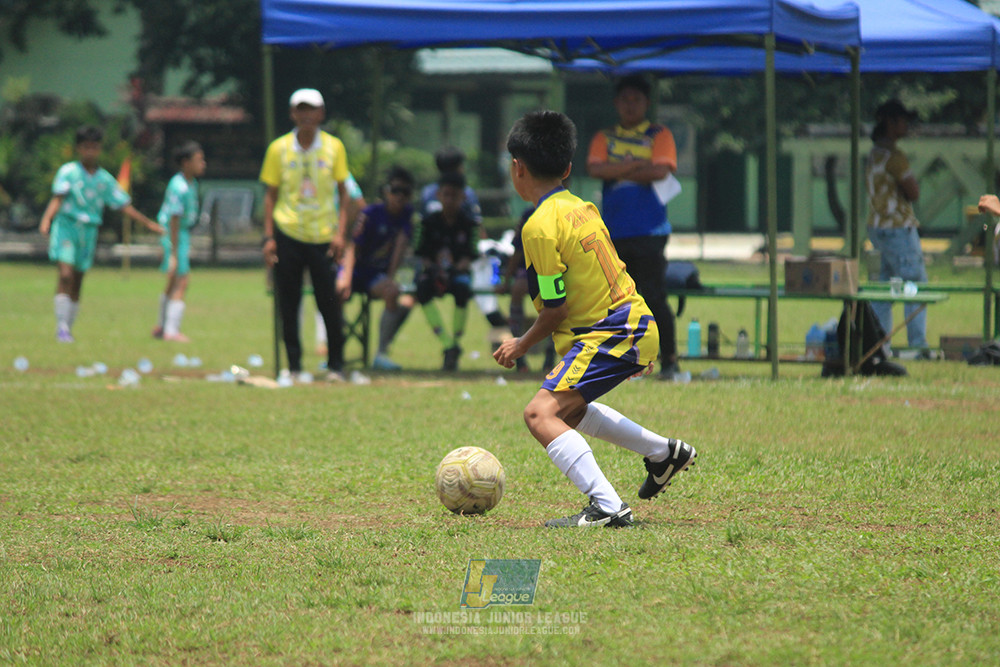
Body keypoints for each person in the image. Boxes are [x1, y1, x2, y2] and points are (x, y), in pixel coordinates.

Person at [494, 110, 696, 529]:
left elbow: (555, 310)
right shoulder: (581, 206)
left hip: (616, 331)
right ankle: (664, 453)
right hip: (632, 324)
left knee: (538, 414)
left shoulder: (538, 228)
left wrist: (520, 344)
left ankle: (607, 506)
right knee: (567, 410)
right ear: (568, 169)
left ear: (518, 168)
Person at [587, 74, 680, 380]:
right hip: (614, 232)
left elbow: (662, 169)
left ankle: (670, 360)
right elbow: (595, 168)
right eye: (624, 100)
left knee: (653, 296)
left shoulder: (659, 134)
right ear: (616, 103)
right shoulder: (605, 136)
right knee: (616, 301)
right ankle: (621, 363)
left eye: (636, 100)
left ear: (646, 104)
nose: (630, 106)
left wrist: (619, 169)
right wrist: (638, 165)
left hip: (651, 231)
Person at [260, 88, 352, 382]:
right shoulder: (279, 149)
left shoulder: (334, 147)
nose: (306, 115)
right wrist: (268, 237)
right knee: (289, 302)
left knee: (329, 301)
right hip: (288, 231)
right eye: (301, 109)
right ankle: (295, 366)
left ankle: (336, 365)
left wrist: (340, 234)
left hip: (323, 234)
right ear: (292, 113)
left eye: (311, 109)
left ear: (321, 114)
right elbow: (270, 195)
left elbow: (343, 193)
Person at [39, 125, 163, 343]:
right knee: (65, 275)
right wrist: (47, 219)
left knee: (77, 279)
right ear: (79, 149)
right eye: (86, 147)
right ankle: (61, 328)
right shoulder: (68, 172)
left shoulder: (104, 179)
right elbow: (57, 198)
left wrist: (147, 223)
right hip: (68, 227)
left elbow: (122, 205)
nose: (90, 152)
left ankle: (68, 326)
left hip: (89, 232)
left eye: (95, 148)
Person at [337, 166, 417, 371]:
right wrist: (345, 278)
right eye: (395, 190)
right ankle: (335, 351)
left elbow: (400, 247)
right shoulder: (370, 213)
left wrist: (390, 277)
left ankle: (381, 353)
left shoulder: (407, 215)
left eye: (405, 193)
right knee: (334, 294)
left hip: (376, 275)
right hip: (356, 270)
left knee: (394, 292)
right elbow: (353, 247)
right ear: (386, 191)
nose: (399, 197)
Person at [421, 146, 508, 330]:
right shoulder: (465, 193)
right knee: (477, 280)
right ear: (456, 167)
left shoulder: (427, 193)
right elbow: (477, 229)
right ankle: (496, 320)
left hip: (436, 260)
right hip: (460, 261)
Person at [866, 98, 928, 354]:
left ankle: (881, 345)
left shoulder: (874, 153)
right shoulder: (894, 156)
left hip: (877, 227)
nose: (906, 125)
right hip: (899, 227)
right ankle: (917, 345)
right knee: (915, 284)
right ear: (891, 123)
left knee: (883, 287)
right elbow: (913, 191)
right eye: (902, 120)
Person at [414, 171, 479, 371]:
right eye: (446, 194)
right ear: (439, 196)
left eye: (454, 195)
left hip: (458, 274)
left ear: (462, 197)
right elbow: (421, 252)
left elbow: (471, 254)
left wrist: (456, 268)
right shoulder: (428, 222)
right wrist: (435, 269)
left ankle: (456, 341)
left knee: (462, 289)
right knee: (422, 289)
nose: (449, 200)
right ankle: (448, 344)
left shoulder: (469, 223)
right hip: (434, 273)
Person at [152, 141, 207, 342]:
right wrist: (174, 253)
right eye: (199, 160)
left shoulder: (190, 183)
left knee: (173, 282)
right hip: (174, 235)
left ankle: (161, 326)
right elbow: (174, 219)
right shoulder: (179, 186)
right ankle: (172, 331)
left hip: (180, 234)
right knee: (182, 281)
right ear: (186, 162)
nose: (203, 164)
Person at [497, 205, 556, 373]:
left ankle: (551, 353)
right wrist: (507, 280)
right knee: (517, 290)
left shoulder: (564, 211)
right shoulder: (529, 214)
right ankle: (519, 353)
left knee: (554, 304)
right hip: (531, 269)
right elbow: (518, 250)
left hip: (555, 268)